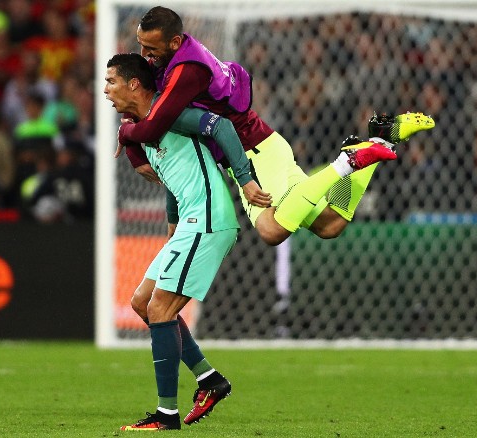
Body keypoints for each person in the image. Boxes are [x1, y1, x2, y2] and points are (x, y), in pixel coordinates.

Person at [104, 53, 396, 431]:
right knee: (143, 303)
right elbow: (173, 179)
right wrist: (172, 225)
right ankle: (210, 380)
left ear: (133, 84)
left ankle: (166, 416)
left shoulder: (170, 114)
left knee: (161, 308)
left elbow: (220, 126)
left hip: (207, 216)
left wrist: (245, 180)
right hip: (190, 219)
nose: (106, 90)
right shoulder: (143, 129)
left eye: (111, 81)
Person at [115, 6, 435, 246]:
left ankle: (347, 162)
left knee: (271, 231)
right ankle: (378, 137)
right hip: (262, 145)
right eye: (141, 45)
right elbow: (148, 104)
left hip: (254, 151)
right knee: (331, 225)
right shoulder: (171, 60)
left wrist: (125, 133)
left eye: (150, 48)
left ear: (173, 42)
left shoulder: (187, 70)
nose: (145, 55)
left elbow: (155, 124)